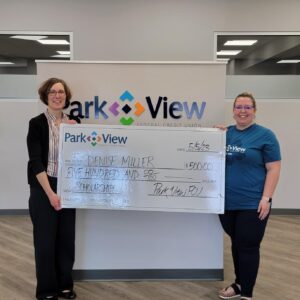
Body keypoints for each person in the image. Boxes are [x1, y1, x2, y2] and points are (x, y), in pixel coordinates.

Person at [218, 92, 281, 300]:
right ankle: (239, 284)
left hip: (252, 203)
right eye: (238, 107)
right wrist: (212, 137)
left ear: (254, 111)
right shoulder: (225, 133)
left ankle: (247, 293)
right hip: (226, 202)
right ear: (233, 110)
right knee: (237, 243)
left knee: (248, 246)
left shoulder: (266, 135)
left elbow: (273, 168)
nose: (242, 111)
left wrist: (266, 199)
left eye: (247, 107)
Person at [27, 78, 80, 300]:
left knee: (66, 239)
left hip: (69, 186)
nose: (57, 95)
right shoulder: (37, 123)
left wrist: (79, 133)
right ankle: (47, 290)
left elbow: (82, 156)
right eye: (52, 92)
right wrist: (50, 193)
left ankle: (65, 285)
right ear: (45, 96)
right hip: (44, 187)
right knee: (45, 240)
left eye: (61, 92)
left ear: (66, 96)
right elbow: (36, 161)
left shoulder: (75, 122)